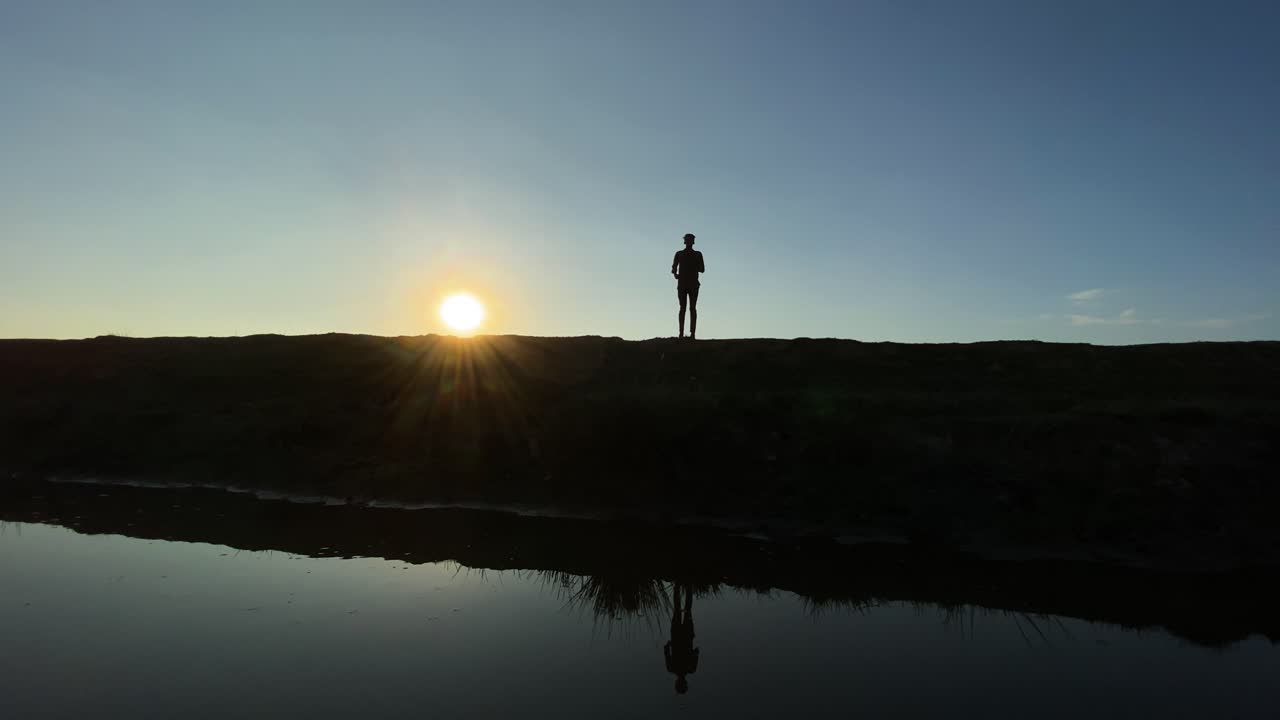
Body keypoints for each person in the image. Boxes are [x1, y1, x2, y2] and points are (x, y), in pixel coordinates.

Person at [664, 583, 700, 694]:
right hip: (676, 635)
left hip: (687, 636)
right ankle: (678, 586)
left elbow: (697, 651)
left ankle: (687, 587)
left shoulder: (691, 668)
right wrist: (670, 644)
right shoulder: (671, 668)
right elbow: (666, 649)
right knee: (677, 609)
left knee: (687, 609)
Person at [670, 233, 705, 339]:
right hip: (683, 284)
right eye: (688, 240)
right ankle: (681, 333)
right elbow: (673, 268)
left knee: (692, 308)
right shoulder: (679, 254)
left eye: (691, 240)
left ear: (693, 242)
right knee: (683, 308)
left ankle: (692, 333)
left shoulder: (697, 254)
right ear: (685, 241)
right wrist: (676, 275)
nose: (689, 242)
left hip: (693, 284)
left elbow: (702, 269)